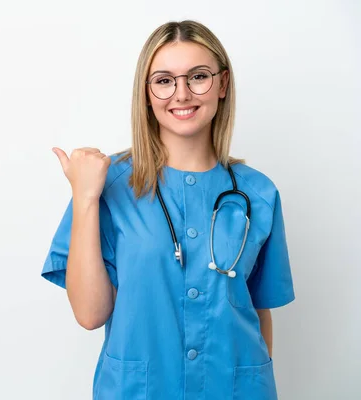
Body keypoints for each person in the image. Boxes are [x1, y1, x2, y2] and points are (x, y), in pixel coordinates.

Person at [40, 20, 295, 400]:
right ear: (146, 92)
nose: (182, 93)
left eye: (198, 76)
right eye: (163, 80)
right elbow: (90, 315)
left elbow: (259, 311)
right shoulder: (107, 185)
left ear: (222, 85)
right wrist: (86, 198)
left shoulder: (257, 193)